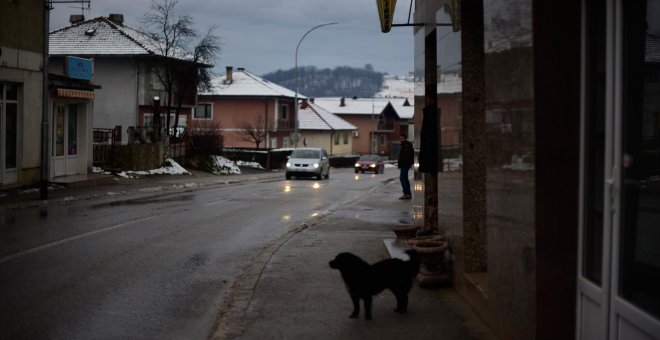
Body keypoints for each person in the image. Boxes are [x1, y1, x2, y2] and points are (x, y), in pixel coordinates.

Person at [397, 133, 414, 199]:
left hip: (405, 165)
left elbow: (407, 156)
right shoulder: (404, 145)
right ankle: (407, 193)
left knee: (403, 178)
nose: (401, 139)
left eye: (402, 138)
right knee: (404, 178)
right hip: (404, 165)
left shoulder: (406, 145)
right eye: (400, 138)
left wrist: (407, 164)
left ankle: (406, 193)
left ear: (405, 138)